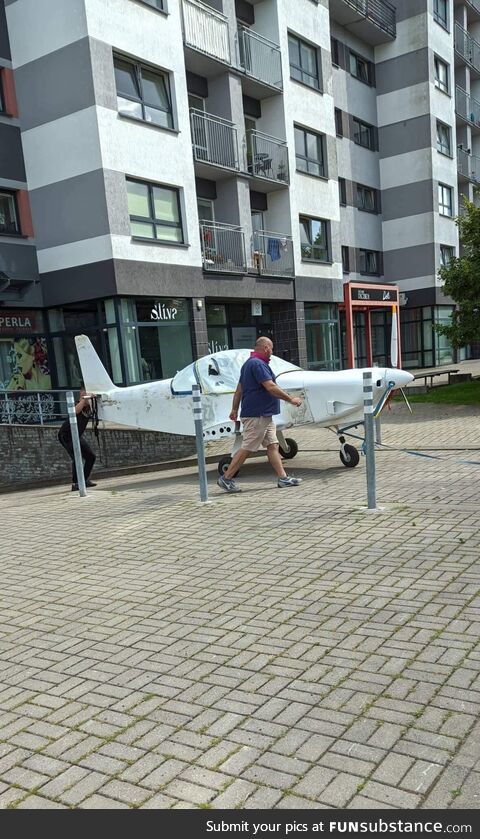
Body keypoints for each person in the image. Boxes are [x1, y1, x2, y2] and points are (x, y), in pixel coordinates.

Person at [217, 336, 303, 493]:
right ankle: (226, 478)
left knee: (272, 445)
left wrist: (234, 409)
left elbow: (239, 390)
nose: (272, 352)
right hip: (257, 415)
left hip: (264, 415)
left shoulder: (248, 364)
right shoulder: (258, 365)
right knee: (248, 447)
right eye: (271, 349)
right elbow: (270, 387)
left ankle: (283, 478)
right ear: (266, 348)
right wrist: (291, 399)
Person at [58, 390, 97, 491]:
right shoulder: (77, 404)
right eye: (82, 395)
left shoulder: (91, 407)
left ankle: (84, 480)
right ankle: (76, 483)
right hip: (66, 435)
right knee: (76, 457)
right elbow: (74, 411)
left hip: (76, 436)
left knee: (91, 457)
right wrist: (84, 400)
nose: (85, 396)